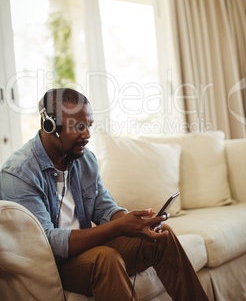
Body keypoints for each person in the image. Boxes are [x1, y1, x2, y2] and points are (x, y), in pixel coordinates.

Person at [0, 88, 208, 301]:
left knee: (161, 234)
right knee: (105, 259)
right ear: (50, 125)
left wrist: (133, 221)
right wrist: (118, 227)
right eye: (79, 127)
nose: (87, 135)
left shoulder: (84, 159)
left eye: (89, 125)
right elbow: (50, 243)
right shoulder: (19, 174)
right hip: (52, 265)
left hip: (84, 251)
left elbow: (104, 208)